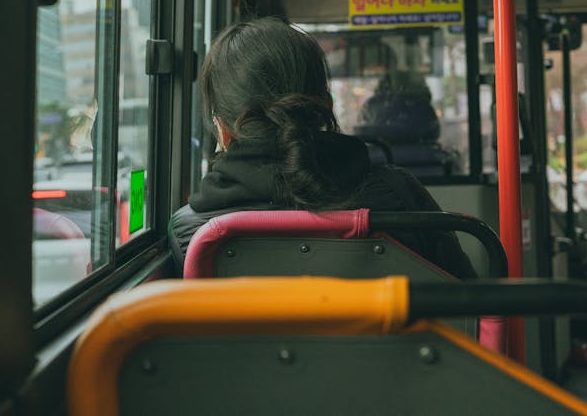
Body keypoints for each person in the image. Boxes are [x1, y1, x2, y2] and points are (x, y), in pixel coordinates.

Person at [168, 17, 476, 279]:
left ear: (222, 127)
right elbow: (467, 308)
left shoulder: (192, 233)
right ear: (324, 108)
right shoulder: (400, 198)